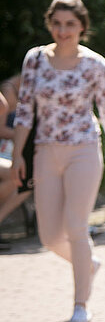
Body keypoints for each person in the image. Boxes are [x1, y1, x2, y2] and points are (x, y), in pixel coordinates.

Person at [11, 0, 105, 322]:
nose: (63, 31)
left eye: (70, 24)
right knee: (50, 236)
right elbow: (24, 109)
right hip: (44, 151)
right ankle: (87, 264)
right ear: (50, 25)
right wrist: (19, 157)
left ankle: (81, 303)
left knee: (76, 227)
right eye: (57, 24)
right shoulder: (35, 59)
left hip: (83, 150)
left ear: (82, 26)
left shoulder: (94, 65)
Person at [0, 76, 32, 236]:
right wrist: (23, 136)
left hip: (11, 153)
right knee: (23, 178)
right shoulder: (8, 89)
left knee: (27, 179)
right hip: (4, 151)